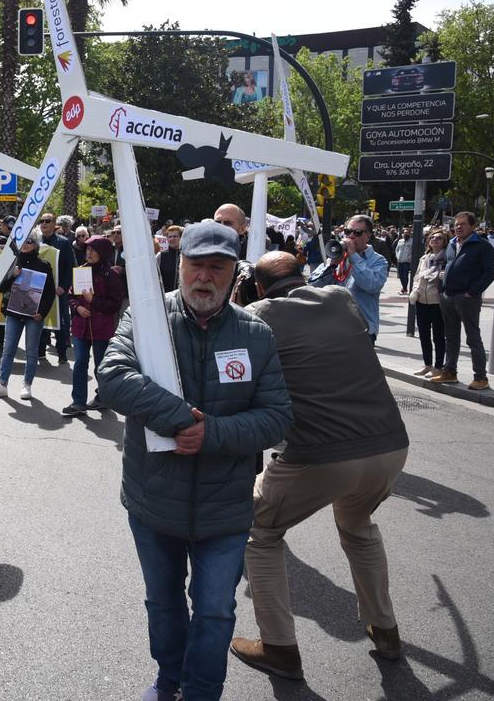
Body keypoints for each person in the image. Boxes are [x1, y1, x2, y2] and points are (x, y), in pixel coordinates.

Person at [97, 221, 293, 701]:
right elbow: (113, 377)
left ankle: (203, 691)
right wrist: (183, 419)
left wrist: (212, 435)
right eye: (195, 265)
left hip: (225, 507)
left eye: (216, 267)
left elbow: (277, 419)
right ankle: (169, 681)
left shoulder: (256, 333)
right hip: (153, 499)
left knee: (214, 611)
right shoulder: (145, 318)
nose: (204, 277)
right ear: (179, 265)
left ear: (233, 274)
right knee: (163, 604)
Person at [230, 252, 410, 680]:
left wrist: (241, 303)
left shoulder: (256, 315)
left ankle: (279, 648)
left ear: (257, 286)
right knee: (357, 525)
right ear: (302, 275)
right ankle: (385, 629)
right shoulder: (338, 299)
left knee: (260, 531)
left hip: (321, 454)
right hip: (389, 447)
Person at [0, 227, 55, 401]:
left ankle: (27, 385)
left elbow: (49, 293)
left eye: (30, 241)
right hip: (14, 312)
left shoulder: (44, 265)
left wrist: (42, 312)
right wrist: (13, 276)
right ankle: (2, 384)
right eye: (23, 241)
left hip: (34, 316)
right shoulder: (12, 263)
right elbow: (1, 288)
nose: (25, 245)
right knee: (8, 350)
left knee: (31, 352)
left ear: (36, 245)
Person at [432, 211, 494, 390]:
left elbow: (489, 273)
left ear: (473, 227)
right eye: (456, 224)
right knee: (451, 337)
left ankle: (481, 377)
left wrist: (471, 292)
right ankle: (450, 371)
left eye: (463, 224)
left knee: (473, 338)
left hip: (467, 298)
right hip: (448, 296)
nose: (458, 227)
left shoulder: (482, 246)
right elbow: (446, 267)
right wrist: (442, 290)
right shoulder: (452, 244)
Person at [63, 236, 125, 417]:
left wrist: (93, 301)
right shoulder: (81, 271)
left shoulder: (111, 275)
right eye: (87, 249)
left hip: (102, 329)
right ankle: (78, 402)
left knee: (101, 366)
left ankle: (103, 397)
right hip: (80, 327)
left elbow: (115, 304)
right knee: (80, 363)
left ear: (103, 253)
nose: (88, 253)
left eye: (93, 250)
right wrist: (78, 307)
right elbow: (71, 296)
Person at [309, 214, 387, 340]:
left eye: (357, 233)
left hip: (361, 330)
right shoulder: (338, 256)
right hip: (332, 328)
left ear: (368, 236)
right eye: (347, 231)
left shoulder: (378, 261)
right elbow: (313, 286)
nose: (350, 236)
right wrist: (331, 265)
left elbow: (372, 285)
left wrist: (353, 256)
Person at [408, 229, 447, 377]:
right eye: (432, 237)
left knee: (438, 336)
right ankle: (428, 364)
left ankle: (438, 367)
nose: (435, 240)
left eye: (439, 238)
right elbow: (417, 277)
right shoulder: (424, 258)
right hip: (421, 300)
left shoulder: (446, 258)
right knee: (424, 334)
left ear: (444, 242)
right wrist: (414, 290)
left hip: (437, 301)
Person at [37, 213, 74, 364]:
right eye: (42, 221)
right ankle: (40, 352)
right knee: (38, 320)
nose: (44, 223)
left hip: (58, 291)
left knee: (59, 323)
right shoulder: (35, 241)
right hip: (39, 290)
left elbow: (71, 267)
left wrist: (64, 287)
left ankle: (62, 353)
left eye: (47, 221)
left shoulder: (63, 243)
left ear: (54, 225)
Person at [213, 203, 258, 305]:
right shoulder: (199, 250)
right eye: (218, 222)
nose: (221, 227)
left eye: (228, 223)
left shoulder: (253, 252)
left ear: (242, 229)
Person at [158, 225, 182, 293]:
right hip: (165, 297)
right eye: (169, 237)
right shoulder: (161, 255)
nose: (172, 239)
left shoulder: (187, 255)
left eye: (175, 236)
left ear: (181, 237)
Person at [394, 229, 413, 294]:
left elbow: (413, 251)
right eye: (404, 233)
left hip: (406, 261)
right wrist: (397, 256)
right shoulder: (400, 241)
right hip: (400, 260)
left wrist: (409, 257)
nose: (405, 234)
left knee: (405, 275)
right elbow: (397, 249)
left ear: (409, 233)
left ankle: (404, 288)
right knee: (400, 274)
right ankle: (404, 287)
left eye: (407, 233)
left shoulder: (411, 241)